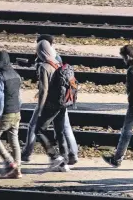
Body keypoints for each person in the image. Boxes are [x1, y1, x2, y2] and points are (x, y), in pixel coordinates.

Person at [21, 35, 79, 166]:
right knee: (60, 131)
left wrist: (40, 109)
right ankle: (65, 158)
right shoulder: (57, 62)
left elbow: (44, 91)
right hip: (62, 102)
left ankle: (53, 156)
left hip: (51, 103)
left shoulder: (44, 66)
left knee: (38, 130)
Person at [0, 51, 23, 179]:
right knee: (14, 140)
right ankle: (17, 169)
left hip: (6, 113)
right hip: (16, 112)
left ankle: (9, 162)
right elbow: (19, 97)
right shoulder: (16, 75)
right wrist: (18, 109)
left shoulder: (0, 76)